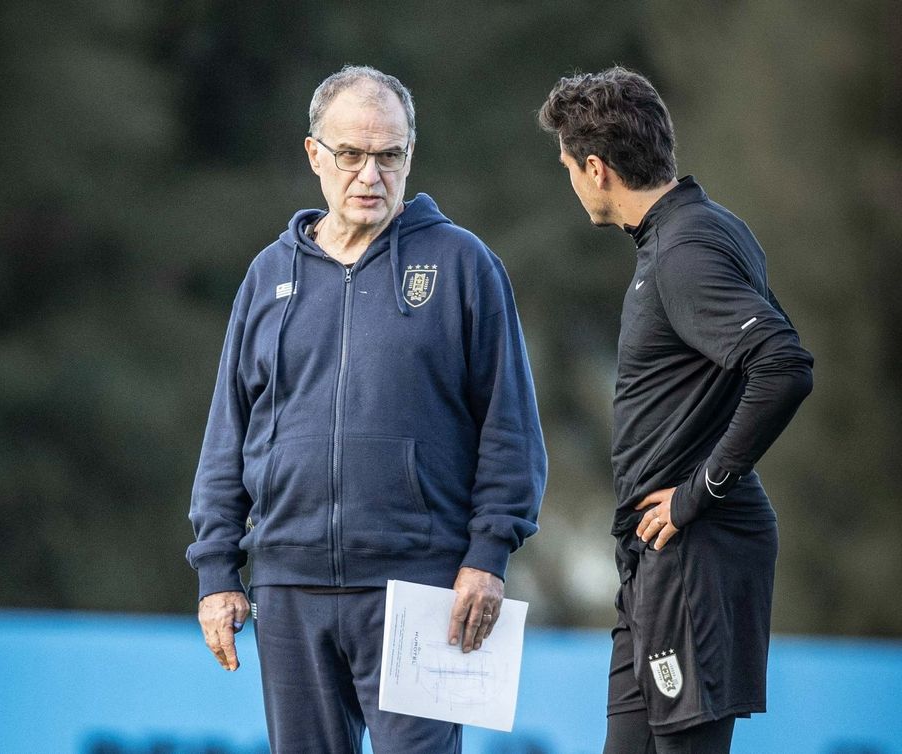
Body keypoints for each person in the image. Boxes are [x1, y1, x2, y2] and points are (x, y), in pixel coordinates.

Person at [187, 65, 546, 754]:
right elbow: (226, 434)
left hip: (423, 586)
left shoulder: (464, 265)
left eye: (390, 155)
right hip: (288, 584)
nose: (370, 175)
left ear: (411, 155)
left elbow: (510, 428)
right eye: (351, 154)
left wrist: (488, 556)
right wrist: (215, 573)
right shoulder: (268, 275)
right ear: (315, 154)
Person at [538, 67, 813, 753]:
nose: (570, 179)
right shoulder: (698, 231)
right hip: (660, 556)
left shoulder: (683, 252)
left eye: (569, 165)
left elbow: (782, 365)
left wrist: (702, 491)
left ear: (596, 168)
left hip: (693, 549)